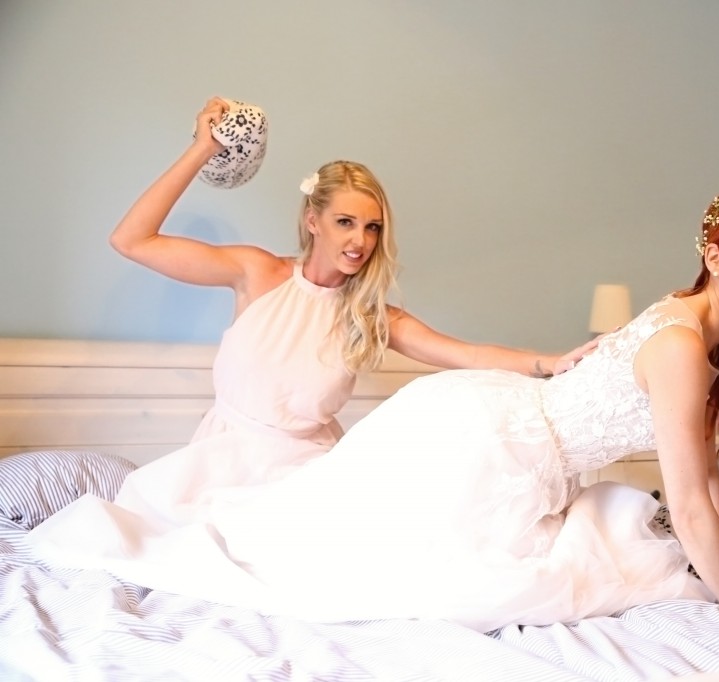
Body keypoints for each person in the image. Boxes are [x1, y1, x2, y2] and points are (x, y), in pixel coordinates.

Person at [30, 182, 719, 631]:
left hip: (501, 429)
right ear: (715, 258)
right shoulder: (679, 345)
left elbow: (701, 487)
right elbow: (693, 501)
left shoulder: (683, 327)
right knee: (351, 564)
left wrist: (546, 362)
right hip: (489, 442)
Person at [103, 96, 593, 526]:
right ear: (312, 221)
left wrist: (549, 363)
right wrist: (203, 148)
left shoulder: (371, 315)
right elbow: (131, 240)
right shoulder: (258, 273)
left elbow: (469, 355)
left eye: (372, 227)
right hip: (220, 470)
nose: (360, 240)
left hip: (310, 479)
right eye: (345, 222)